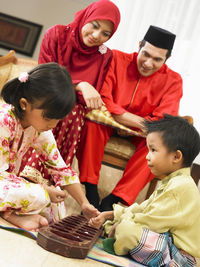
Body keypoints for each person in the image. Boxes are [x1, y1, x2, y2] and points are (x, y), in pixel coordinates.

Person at [76, 25, 183, 210]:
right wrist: (127, 119)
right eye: (146, 54)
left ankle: (114, 200)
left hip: (141, 133)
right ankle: (91, 190)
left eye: (157, 59)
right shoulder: (116, 59)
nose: (148, 63)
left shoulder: (174, 80)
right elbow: (103, 98)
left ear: (167, 59)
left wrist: (123, 119)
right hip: (106, 122)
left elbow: (163, 121)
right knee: (92, 124)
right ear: (140, 45)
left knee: (161, 146)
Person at [19, 0, 120, 182]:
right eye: (94, 26)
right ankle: (29, 173)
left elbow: (90, 99)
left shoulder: (104, 56)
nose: (97, 36)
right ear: (87, 17)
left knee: (73, 110)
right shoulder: (56, 34)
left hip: (74, 111)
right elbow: (45, 78)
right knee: (62, 106)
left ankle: (50, 179)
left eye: (105, 33)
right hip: (43, 96)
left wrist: (79, 90)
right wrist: (80, 84)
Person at [89, 114, 200, 265]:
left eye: (153, 150)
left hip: (180, 259)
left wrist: (119, 223)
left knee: (128, 230)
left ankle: (115, 242)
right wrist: (111, 215)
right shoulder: (173, 182)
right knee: (124, 225)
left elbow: (149, 221)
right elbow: (144, 208)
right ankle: (114, 231)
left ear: (176, 156)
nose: (147, 157)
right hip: (167, 245)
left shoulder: (179, 187)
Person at [0, 63, 98, 231]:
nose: (53, 124)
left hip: (6, 182)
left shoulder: (37, 126)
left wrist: (84, 204)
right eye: (49, 117)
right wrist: (44, 190)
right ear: (24, 104)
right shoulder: (4, 120)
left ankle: (10, 213)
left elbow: (61, 169)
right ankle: (11, 215)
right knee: (40, 195)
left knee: (57, 209)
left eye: (58, 118)